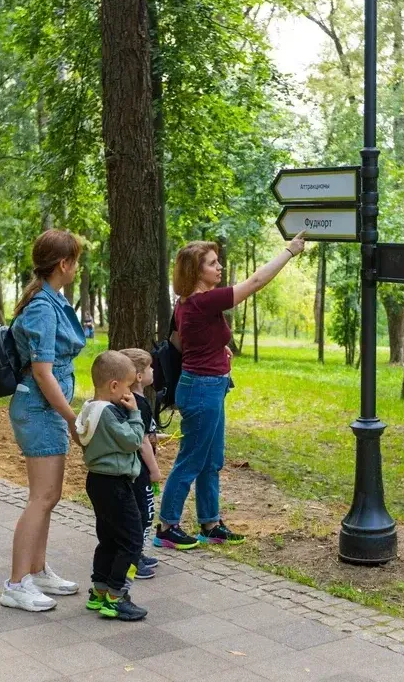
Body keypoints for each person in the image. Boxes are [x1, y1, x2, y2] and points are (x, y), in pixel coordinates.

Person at [154, 231, 306, 550]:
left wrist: (218, 351)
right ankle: (167, 526)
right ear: (196, 272)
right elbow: (254, 283)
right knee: (190, 460)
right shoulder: (202, 301)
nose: (219, 267)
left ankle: (209, 523)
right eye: (212, 263)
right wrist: (289, 251)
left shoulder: (188, 304)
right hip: (201, 390)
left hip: (209, 385)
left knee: (211, 461)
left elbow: (185, 343)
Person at [0, 229, 87, 613]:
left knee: (48, 497)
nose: (77, 268)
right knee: (42, 497)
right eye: (76, 261)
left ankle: (36, 570)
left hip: (45, 409)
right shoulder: (42, 308)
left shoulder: (49, 300)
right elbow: (42, 372)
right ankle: (16, 583)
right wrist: (72, 418)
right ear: (64, 264)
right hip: (40, 410)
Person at [76, 351, 148, 621]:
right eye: (128, 386)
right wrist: (135, 415)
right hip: (115, 483)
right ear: (114, 386)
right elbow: (131, 441)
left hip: (97, 481)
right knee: (132, 540)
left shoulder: (89, 408)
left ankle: (100, 589)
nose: (130, 392)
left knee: (108, 538)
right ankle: (117, 597)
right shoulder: (108, 413)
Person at [120, 348, 162, 579]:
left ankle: (137, 553)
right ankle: (133, 558)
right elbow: (142, 441)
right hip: (140, 469)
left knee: (141, 512)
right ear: (138, 376)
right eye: (149, 367)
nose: (153, 370)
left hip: (135, 468)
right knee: (143, 513)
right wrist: (154, 470)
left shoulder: (134, 401)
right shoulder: (139, 404)